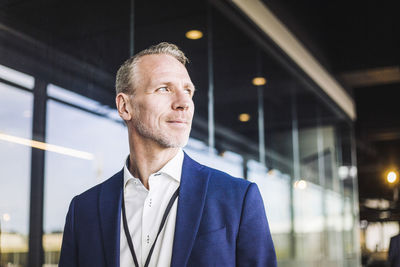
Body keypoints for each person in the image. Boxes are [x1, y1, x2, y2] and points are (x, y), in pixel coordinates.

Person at [59, 42, 276, 267]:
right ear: (125, 106)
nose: (184, 103)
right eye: (164, 88)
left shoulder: (237, 199)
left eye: (188, 91)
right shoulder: (83, 211)